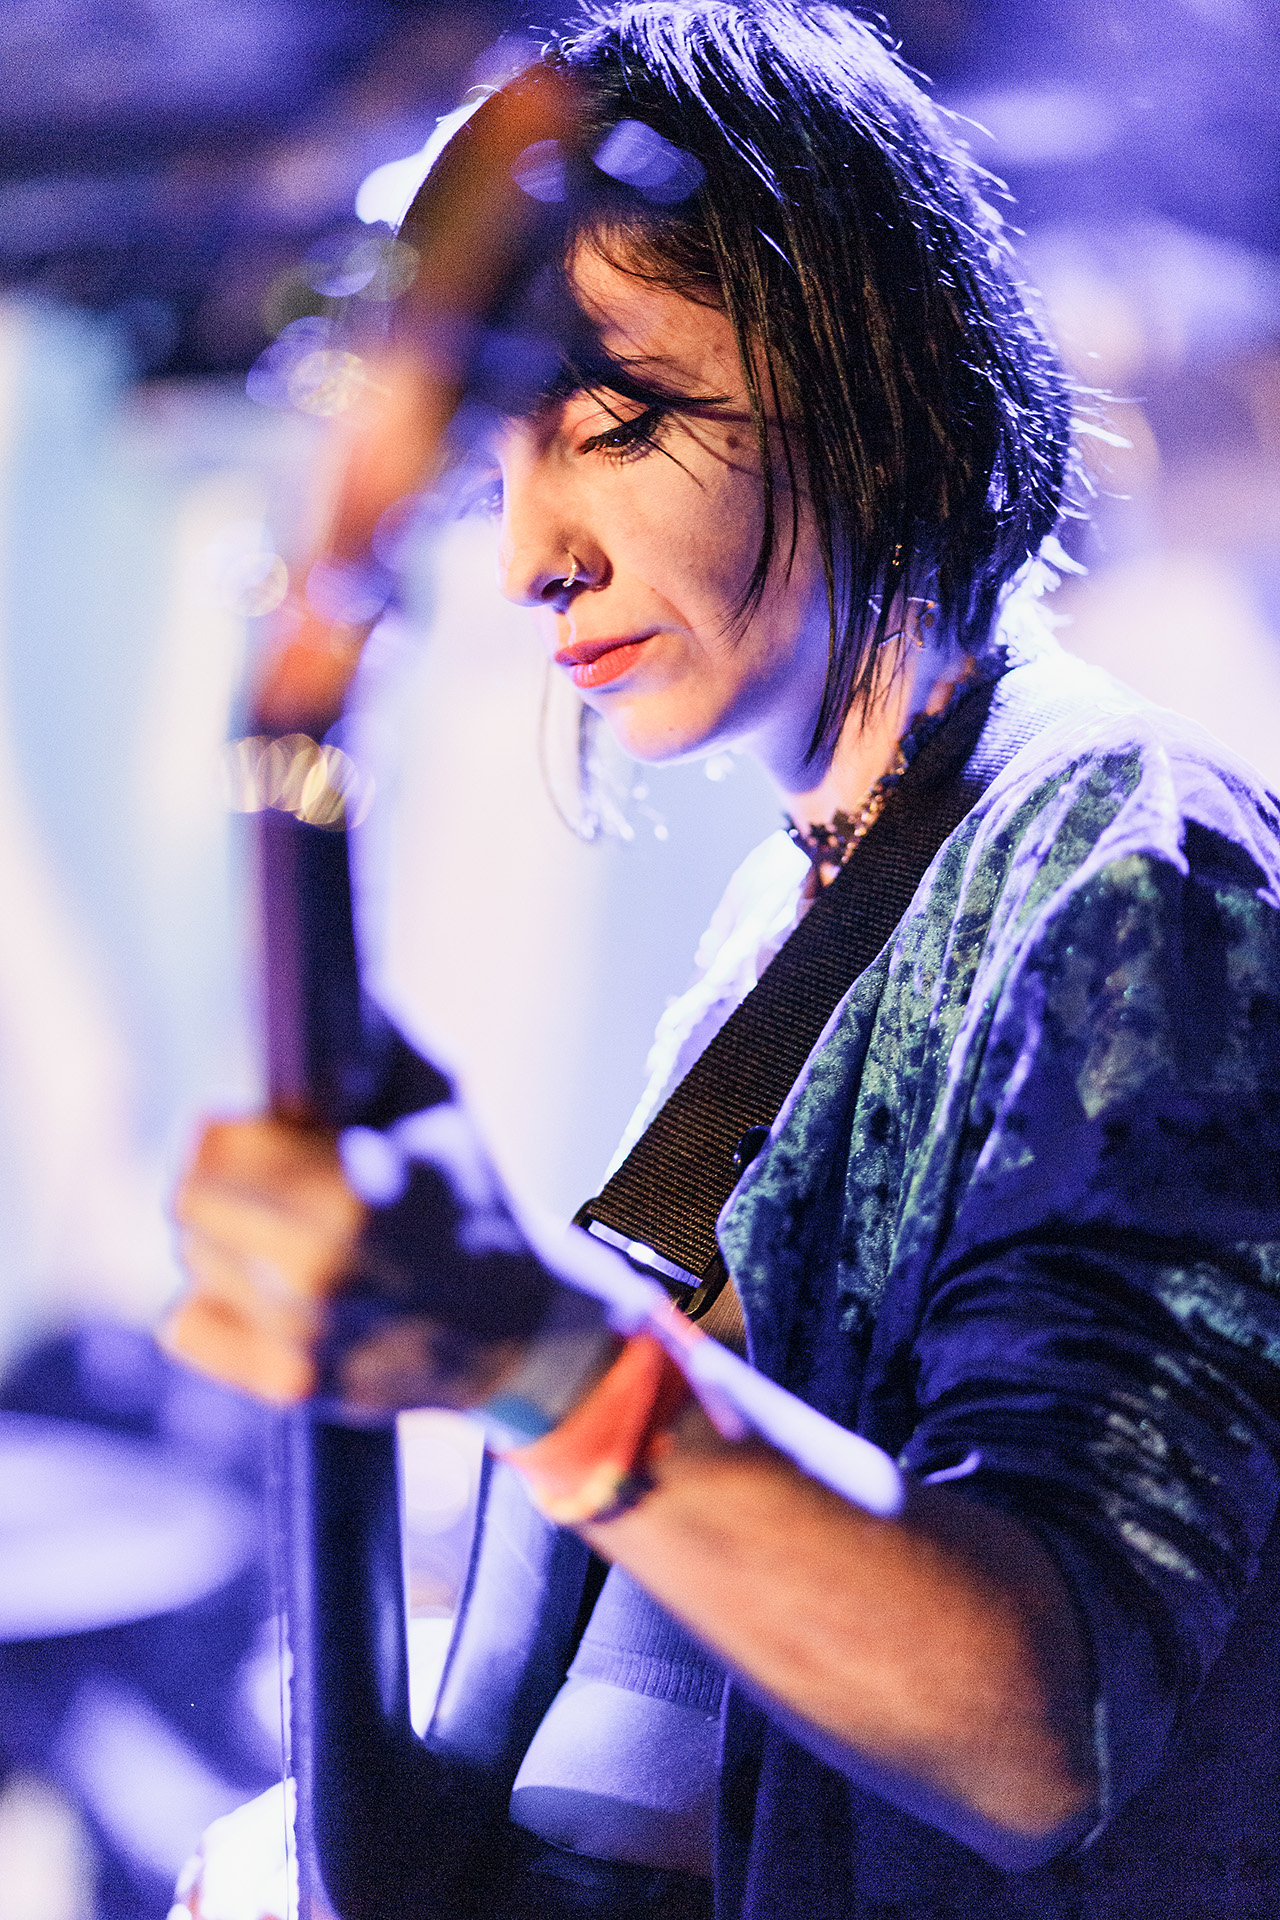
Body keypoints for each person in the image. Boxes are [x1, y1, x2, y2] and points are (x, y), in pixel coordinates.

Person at [165, 4, 1280, 1916]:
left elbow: (1036, 1728)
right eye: (499, 463)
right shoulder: (782, 925)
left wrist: (535, 1350)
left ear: (876, 367)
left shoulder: (1127, 870)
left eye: (617, 422)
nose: (529, 554)